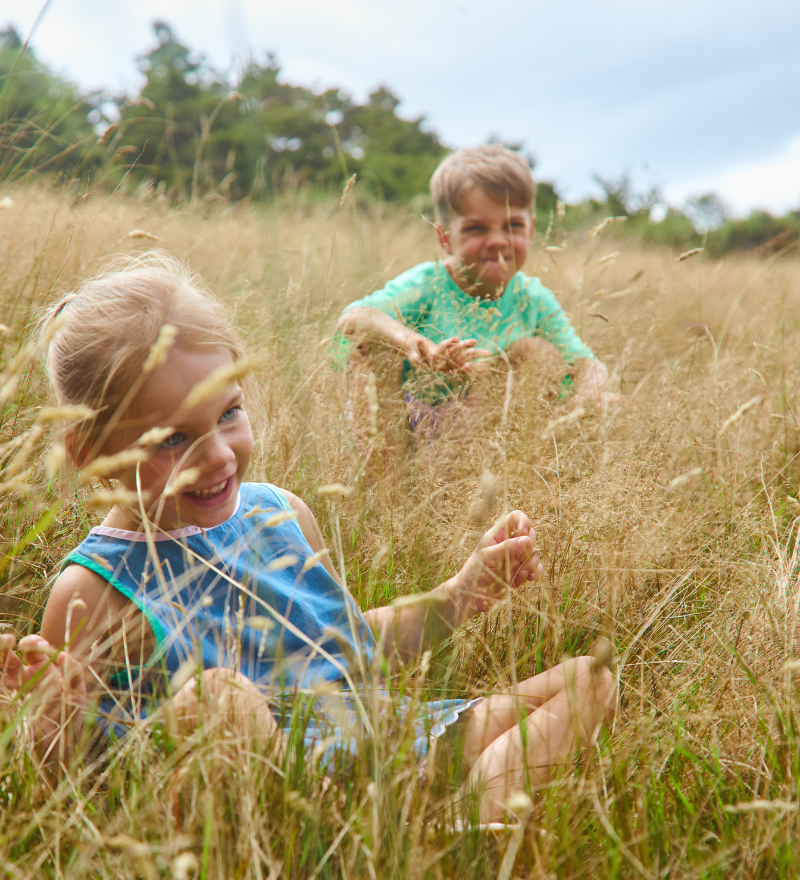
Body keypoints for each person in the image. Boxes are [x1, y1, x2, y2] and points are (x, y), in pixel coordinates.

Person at [0, 253, 615, 822]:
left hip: (388, 742)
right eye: (172, 439)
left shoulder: (281, 514)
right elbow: (72, 780)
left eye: (228, 415)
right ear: (90, 453)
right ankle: (355, 829)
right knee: (220, 697)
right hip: (284, 795)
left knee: (591, 678)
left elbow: (345, 645)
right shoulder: (94, 589)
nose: (218, 456)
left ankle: (465, 819)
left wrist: (459, 594)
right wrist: (46, 709)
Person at [335, 144, 617, 458]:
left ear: (532, 230)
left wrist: (588, 399)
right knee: (372, 350)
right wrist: (413, 344)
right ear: (445, 238)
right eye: (475, 228)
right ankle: (387, 495)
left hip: (482, 438)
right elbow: (354, 318)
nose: (497, 240)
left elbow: (588, 364)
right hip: (407, 428)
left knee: (537, 353)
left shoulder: (532, 298)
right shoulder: (428, 285)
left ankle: (510, 478)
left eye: (512, 226)